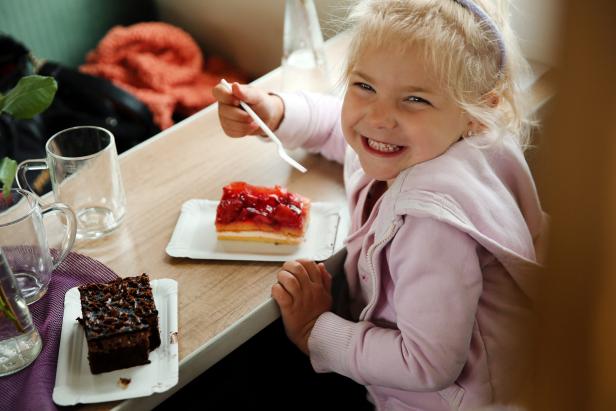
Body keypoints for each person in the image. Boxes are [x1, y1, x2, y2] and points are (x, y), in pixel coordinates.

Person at [212, 0, 547, 409]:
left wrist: (317, 329)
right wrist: (277, 112)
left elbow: (426, 364)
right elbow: (340, 127)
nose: (379, 117)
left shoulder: (434, 227)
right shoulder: (424, 142)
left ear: (479, 112)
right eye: (364, 86)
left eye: (415, 100)